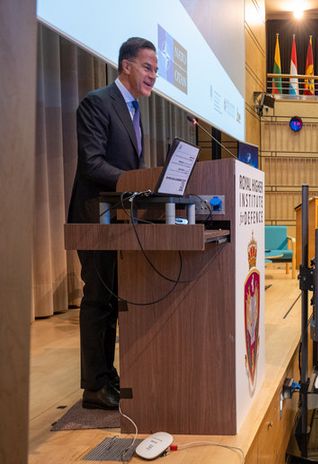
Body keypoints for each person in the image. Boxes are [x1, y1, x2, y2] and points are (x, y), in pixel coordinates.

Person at [68, 37, 158, 410]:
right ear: (126, 65)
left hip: (118, 218)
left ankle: (108, 376)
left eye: (156, 70)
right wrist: (135, 182)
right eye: (148, 67)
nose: (153, 75)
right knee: (98, 299)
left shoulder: (133, 110)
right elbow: (92, 163)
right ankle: (94, 386)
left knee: (114, 299)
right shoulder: (97, 102)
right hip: (95, 218)